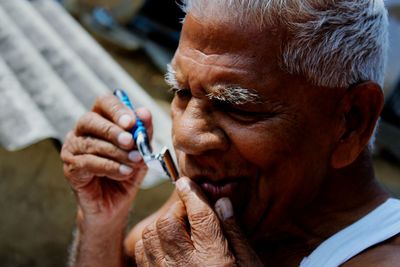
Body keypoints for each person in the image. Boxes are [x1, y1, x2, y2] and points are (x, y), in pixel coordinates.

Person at [60, 0, 400, 266]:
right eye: (181, 92)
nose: (186, 137)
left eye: (237, 106)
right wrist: (102, 222)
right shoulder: (225, 201)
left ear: (352, 121)